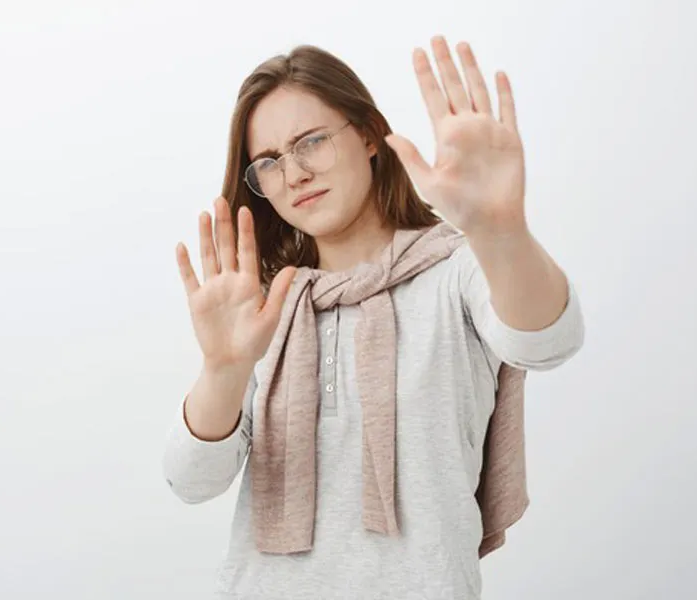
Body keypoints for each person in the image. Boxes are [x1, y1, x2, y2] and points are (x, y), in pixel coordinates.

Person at [161, 36, 585, 600]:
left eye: (310, 141)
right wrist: (223, 368)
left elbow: (548, 341)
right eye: (268, 162)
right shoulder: (265, 306)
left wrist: (500, 229)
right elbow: (191, 481)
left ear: (366, 136)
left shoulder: (458, 267)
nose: (294, 174)